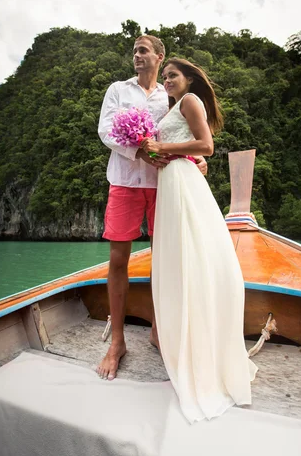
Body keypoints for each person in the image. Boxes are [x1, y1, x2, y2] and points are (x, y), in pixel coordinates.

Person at [140, 58, 258, 424]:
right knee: (176, 259)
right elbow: (181, 147)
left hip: (184, 182)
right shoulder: (174, 107)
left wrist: (164, 150)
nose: (169, 80)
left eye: (173, 75)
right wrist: (152, 150)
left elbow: (205, 145)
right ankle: (178, 337)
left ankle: (197, 345)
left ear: (188, 78)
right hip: (172, 181)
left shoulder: (191, 101)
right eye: (167, 76)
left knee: (192, 256)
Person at [97, 36, 207, 380]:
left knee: (165, 259)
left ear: (159, 57)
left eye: (143, 50)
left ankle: (159, 331)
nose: (137, 56)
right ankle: (117, 341)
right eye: (133, 51)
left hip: (164, 185)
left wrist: (196, 158)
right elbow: (105, 131)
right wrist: (138, 152)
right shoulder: (118, 89)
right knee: (118, 260)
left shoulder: (170, 93)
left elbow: (182, 130)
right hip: (125, 182)